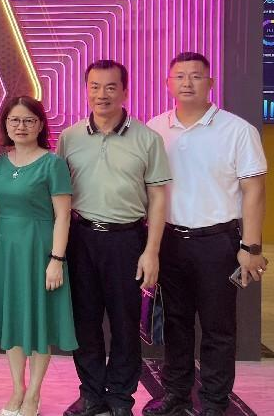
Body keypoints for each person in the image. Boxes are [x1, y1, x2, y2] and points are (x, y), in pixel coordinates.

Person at [143, 52, 266, 416]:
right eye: (180, 76)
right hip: (170, 241)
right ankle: (176, 395)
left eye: (196, 76)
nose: (187, 83)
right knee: (175, 323)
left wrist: (251, 247)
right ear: (168, 84)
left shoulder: (237, 130)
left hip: (218, 243)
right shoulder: (155, 128)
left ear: (210, 83)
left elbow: (254, 191)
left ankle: (214, 401)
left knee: (218, 327)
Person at [58, 60, 170, 416]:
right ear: (86, 90)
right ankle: (91, 393)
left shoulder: (147, 139)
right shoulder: (70, 137)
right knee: (85, 321)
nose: (102, 94)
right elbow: (59, 195)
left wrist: (151, 251)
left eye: (110, 87)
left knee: (124, 323)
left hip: (127, 240)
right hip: (81, 239)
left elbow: (158, 197)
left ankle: (121, 397)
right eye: (94, 86)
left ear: (125, 91)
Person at [0, 96, 77, 416]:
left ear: (40, 125)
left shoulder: (52, 163)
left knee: (39, 322)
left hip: (40, 250)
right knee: (13, 320)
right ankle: (17, 389)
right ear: (6, 124)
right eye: (14, 120)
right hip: (7, 251)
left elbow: (63, 216)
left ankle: (34, 394)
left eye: (29, 120)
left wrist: (57, 260)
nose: (21, 126)